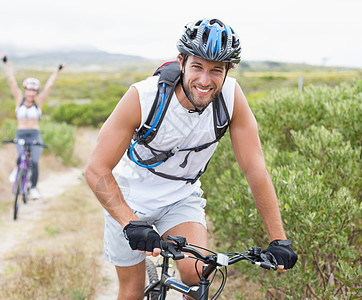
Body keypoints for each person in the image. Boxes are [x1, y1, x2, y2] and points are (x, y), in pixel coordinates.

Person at [85, 18, 297, 299]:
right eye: (197, 66)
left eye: (216, 70)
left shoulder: (231, 98)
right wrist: (129, 222)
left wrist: (278, 239)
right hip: (129, 198)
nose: (205, 80)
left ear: (227, 71)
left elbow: (255, 168)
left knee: (199, 277)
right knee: (132, 290)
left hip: (179, 197)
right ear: (182, 61)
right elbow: (96, 169)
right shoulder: (143, 97)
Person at [1, 54, 64, 199]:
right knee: (20, 157)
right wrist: (6, 63)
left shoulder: (39, 101)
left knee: (34, 162)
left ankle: (34, 188)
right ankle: (17, 171)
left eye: (33, 90)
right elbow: (11, 81)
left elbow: (49, 86)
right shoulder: (19, 98)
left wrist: (57, 70)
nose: (31, 93)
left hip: (35, 134)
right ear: (25, 90)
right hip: (21, 133)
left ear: (36, 91)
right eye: (28, 90)